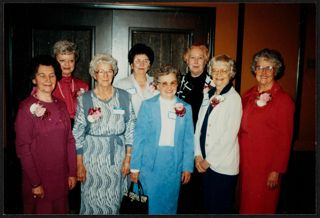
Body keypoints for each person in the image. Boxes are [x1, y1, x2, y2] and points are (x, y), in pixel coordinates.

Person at [72, 54, 136, 214]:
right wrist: (79, 164)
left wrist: (128, 158)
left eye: (109, 71)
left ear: (114, 72)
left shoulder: (124, 96)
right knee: (90, 199)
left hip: (117, 159)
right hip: (91, 160)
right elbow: (77, 134)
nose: (106, 75)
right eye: (101, 71)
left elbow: (130, 128)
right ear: (94, 74)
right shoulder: (84, 99)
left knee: (114, 200)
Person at [15, 55, 77, 214]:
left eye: (52, 75)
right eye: (42, 75)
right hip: (39, 180)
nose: (48, 79)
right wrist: (35, 183)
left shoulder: (61, 105)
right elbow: (23, 149)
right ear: (34, 79)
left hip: (61, 178)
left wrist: (72, 172)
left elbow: (69, 140)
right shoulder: (26, 108)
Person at [130, 65, 194, 215]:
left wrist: (187, 167)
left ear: (177, 84)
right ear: (157, 85)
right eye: (164, 83)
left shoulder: (185, 107)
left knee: (169, 204)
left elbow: (188, 140)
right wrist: (135, 167)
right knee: (150, 205)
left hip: (173, 163)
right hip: (150, 164)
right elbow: (139, 138)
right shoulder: (148, 106)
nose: (169, 87)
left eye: (172, 82)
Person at [239, 48, 295, 214]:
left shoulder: (283, 100)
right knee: (245, 203)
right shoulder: (248, 94)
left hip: (265, 165)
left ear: (276, 70)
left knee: (261, 205)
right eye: (259, 67)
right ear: (254, 70)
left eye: (268, 67)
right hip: (245, 161)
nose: (263, 72)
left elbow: (285, 139)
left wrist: (276, 171)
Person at [194, 54, 242, 213]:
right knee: (207, 206)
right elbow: (199, 126)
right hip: (204, 162)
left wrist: (209, 161)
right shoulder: (209, 94)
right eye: (215, 70)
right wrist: (198, 155)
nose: (219, 74)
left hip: (221, 166)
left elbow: (229, 136)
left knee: (219, 208)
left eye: (224, 70)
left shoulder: (234, 99)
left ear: (231, 73)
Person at [176, 43, 211, 213]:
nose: (196, 61)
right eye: (192, 57)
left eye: (200, 58)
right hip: (180, 140)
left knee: (196, 188)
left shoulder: (211, 83)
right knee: (181, 185)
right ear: (186, 60)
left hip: (200, 142)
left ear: (205, 61)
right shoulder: (179, 80)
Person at [114, 43, 159, 115]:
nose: (142, 64)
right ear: (131, 65)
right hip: (131, 125)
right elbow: (116, 110)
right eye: (138, 61)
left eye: (145, 61)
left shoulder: (157, 82)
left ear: (149, 65)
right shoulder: (121, 84)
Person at [52, 40, 89, 124]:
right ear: (55, 61)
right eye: (62, 60)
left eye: (71, 60)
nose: (67, 64)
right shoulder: (49, 85)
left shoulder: (83, 85)